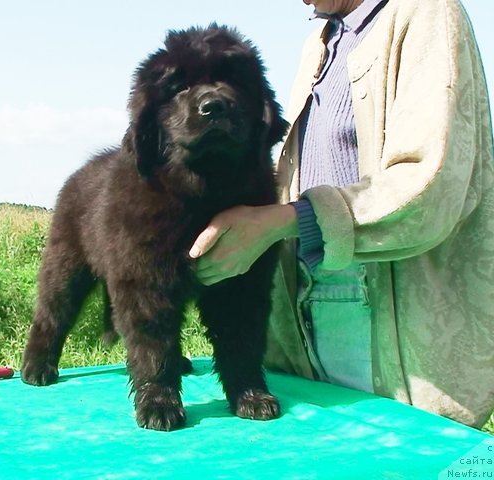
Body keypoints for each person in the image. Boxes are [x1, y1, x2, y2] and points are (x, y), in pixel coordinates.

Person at [189, 0, 494, 428]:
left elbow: (430, 182)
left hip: (381, 311)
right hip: (307, 304)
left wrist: (282, 222)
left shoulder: (426, 12)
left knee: (393, 458)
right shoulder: (320, 41)